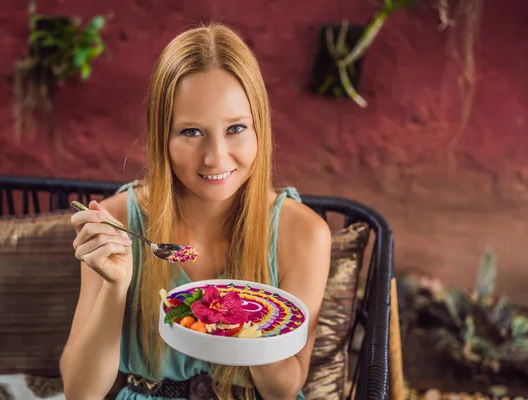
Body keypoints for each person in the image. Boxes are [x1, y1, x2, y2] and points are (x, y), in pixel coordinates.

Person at [60, 23, 331, 400]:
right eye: (191, 132)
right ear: (162, 137)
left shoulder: (303, 233)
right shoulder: (117, 223)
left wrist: (243, 315)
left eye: (236, 127)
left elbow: (283, 389)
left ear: (260, 130)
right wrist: (115, 286)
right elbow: (79, 392)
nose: (215, 157)